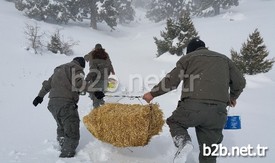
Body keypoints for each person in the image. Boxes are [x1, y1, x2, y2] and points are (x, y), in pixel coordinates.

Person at [143, 38, 246, 163]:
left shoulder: (188, 58)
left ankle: (183, 141)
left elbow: (172, 81)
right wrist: (232, 97)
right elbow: (240, 82)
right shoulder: (225, 59)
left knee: (175, 122)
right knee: (209, 152)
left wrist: (153, 93)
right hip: (217, 112)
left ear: (190, 50)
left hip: (193, 106)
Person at [32, 57, 86, 158]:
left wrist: (39, 96)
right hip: (66, 103)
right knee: (72, 130)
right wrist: (95, 91)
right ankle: (67, 156)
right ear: (81, 64)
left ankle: (62, 143)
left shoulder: (59, 69)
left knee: (62, 125)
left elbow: (47, 84)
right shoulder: (77, 68)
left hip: (53, 104)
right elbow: (79, 84)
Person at [84, 43, 115, 108]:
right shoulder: (105, 54)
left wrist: (86, 80)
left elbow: (93, 71)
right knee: (101, 92)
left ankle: (96, 111)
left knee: (95, 95)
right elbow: (109, 63)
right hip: (105, 77)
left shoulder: (93, 55)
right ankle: (102, 103)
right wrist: (112, 70)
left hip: (96, 79)